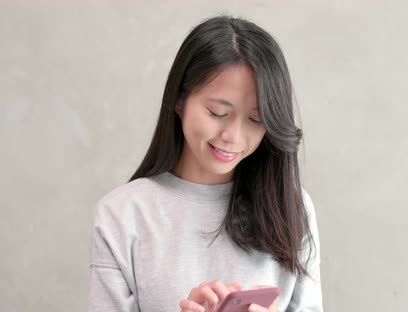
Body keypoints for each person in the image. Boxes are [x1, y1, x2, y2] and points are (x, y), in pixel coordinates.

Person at [87, 15, 323, 312]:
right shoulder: (122, 215)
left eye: (255, 120)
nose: (232, 137)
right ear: (179, 100)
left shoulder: (291, 206)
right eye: (217, 112)